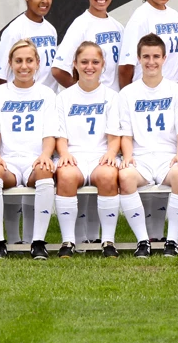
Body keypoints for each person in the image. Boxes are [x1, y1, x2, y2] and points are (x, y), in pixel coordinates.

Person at [52, 0, 125, 243]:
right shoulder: (80, 25)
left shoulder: (118, 26)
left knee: (104, 175)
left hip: (109, 114)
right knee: (75, 174)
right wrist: (84, 92)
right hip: (83, 115)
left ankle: (96, 238)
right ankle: (80, 238)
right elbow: (58, 68)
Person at [115, 34, 178, 257]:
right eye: (146, 57)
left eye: (155, 57)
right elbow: (126, 133)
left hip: (167, 156)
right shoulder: (127, 94)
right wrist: (127, 157)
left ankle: (172, 241)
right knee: (125, 177)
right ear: (138, 59)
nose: (151, 62)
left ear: (164, 58)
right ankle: (143, 241)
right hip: (140, 157)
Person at [0, 0, 60, 244]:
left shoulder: (51, 29)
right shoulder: (15, 30)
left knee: (39, 172)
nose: (43, 1)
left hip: (42, 107)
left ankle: (35, 239)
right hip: (17, 105)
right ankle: (10, 239)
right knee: (9, 178)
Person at [0, 40, 58, 259]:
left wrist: (45, 155)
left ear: (37, 63)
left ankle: (38, 242)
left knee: (45, 172)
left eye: (28, 61)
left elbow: (49, 133)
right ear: (10, 63)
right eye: (18, 61)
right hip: (9, 160)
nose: (23, 66)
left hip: (35, 159)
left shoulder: (46, 94)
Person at [53, 42, 124, 258]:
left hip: (100, 155)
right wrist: (64, 154)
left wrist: (111, 154)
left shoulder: (111, 96)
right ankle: (68, 241)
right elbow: (60, 136)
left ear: (103, 65)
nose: (89, 67)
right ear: (74, 64)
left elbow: (115, 138)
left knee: (108, 175)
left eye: (95, 62)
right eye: (84, 62)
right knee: (65, 175)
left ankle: (108, 241)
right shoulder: (64, 97)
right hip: (73, 154)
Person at [52, 0, 124, 91]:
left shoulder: (118, 27)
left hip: (114, 104)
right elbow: (58, 70)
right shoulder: (80, 25)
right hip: (93, 108)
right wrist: (84, 94)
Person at [118, 0, 178, 87]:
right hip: (147, 93)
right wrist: (127, 96)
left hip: (173, 91)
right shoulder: (140, 17)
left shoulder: (174, 15)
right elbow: (126, 66)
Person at [0, 0, 59, 90]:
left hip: (49, 101)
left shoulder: (51, 30)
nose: (45, 1)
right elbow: (0, 76)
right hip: (24, 102)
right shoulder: (14, 30)